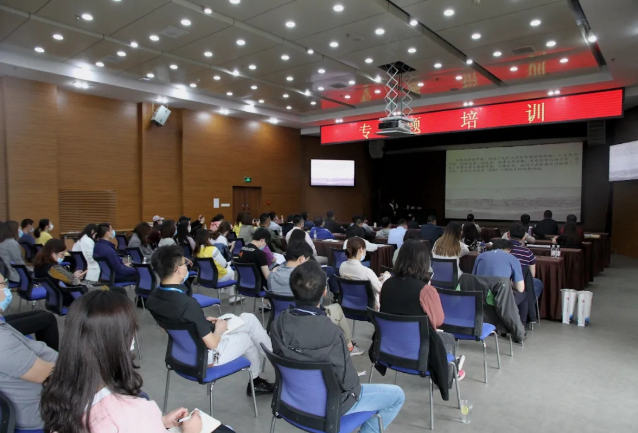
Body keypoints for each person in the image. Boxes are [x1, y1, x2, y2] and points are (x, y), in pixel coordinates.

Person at [40, 290, 204, 433]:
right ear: (123, 341)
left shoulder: (58, 389)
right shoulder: (134, 412)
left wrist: (158, 423)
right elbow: (127, 422)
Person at [270, 261, 405, 433]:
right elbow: (349, 384)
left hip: (291, 401)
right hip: (330, 407)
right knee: (397, 395)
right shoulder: (333, 333)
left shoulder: (278, 323)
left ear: (292, 290)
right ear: (324, 291)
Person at [147, 245, 274, 395]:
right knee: (248, 337)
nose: (187, 265)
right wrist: (218, 329)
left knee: (248, 318)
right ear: (178, 270)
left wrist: (199, 321)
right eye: (184, 263)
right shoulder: (188, 304)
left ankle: (267, 368)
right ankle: (268, 371)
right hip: (205, 356)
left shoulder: (152, 298)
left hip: (182, 353)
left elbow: (164, 327)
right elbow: (212, 343)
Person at [381, 241, 465, 381]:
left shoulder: (387, 284)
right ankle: (450, 374)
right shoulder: (426, 290)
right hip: (418, 350)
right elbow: (438, 321)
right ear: (425, 262)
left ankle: (453, 367)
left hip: (388, 346)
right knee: (448, 338)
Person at [267, 241, 364, 356]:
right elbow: (317, 305)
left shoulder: (272, 276)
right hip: (310, 324)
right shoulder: (305, 280)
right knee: (336, 309)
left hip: (281, 322)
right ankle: (349, 346)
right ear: (302, 259)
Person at [0, 275, 59, 431]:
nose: (7, 288)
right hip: (43, 413)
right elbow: (45, 374)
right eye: (3, 284)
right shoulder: (2, 341)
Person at [472, 239, 528, 327]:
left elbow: (473, 278)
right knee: (524, 295)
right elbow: (520, 288)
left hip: (480, 297)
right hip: (501, 299)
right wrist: (510, 283)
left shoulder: (480, 256)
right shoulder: (513, 259)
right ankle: (521, 325)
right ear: (509, 250)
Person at [33, 239, 88, 307]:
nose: (64, 257)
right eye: (62, 254)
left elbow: (62, 277)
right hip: (66, 299)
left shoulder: (40, 265)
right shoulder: (53, 269)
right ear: (53, 254)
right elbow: (73, 281)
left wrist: (73, 275)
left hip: (55, 298)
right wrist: (77, 278)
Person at [338, 237, 386, 309]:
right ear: (361, 250)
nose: (365, 253)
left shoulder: (342, 266)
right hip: (367, 308)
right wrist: (386, 277)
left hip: (347, 306)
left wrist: (377, 279)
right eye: (365, 250)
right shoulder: (367, 272)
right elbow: (381, 290)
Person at [508, 224, 544, 299]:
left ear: (508, 235)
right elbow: (532, 275)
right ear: (524, 237)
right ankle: (530, 303)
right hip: (520, 283)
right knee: (537, 283)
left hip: (502, 281)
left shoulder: (501, 250)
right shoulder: (528, 252)